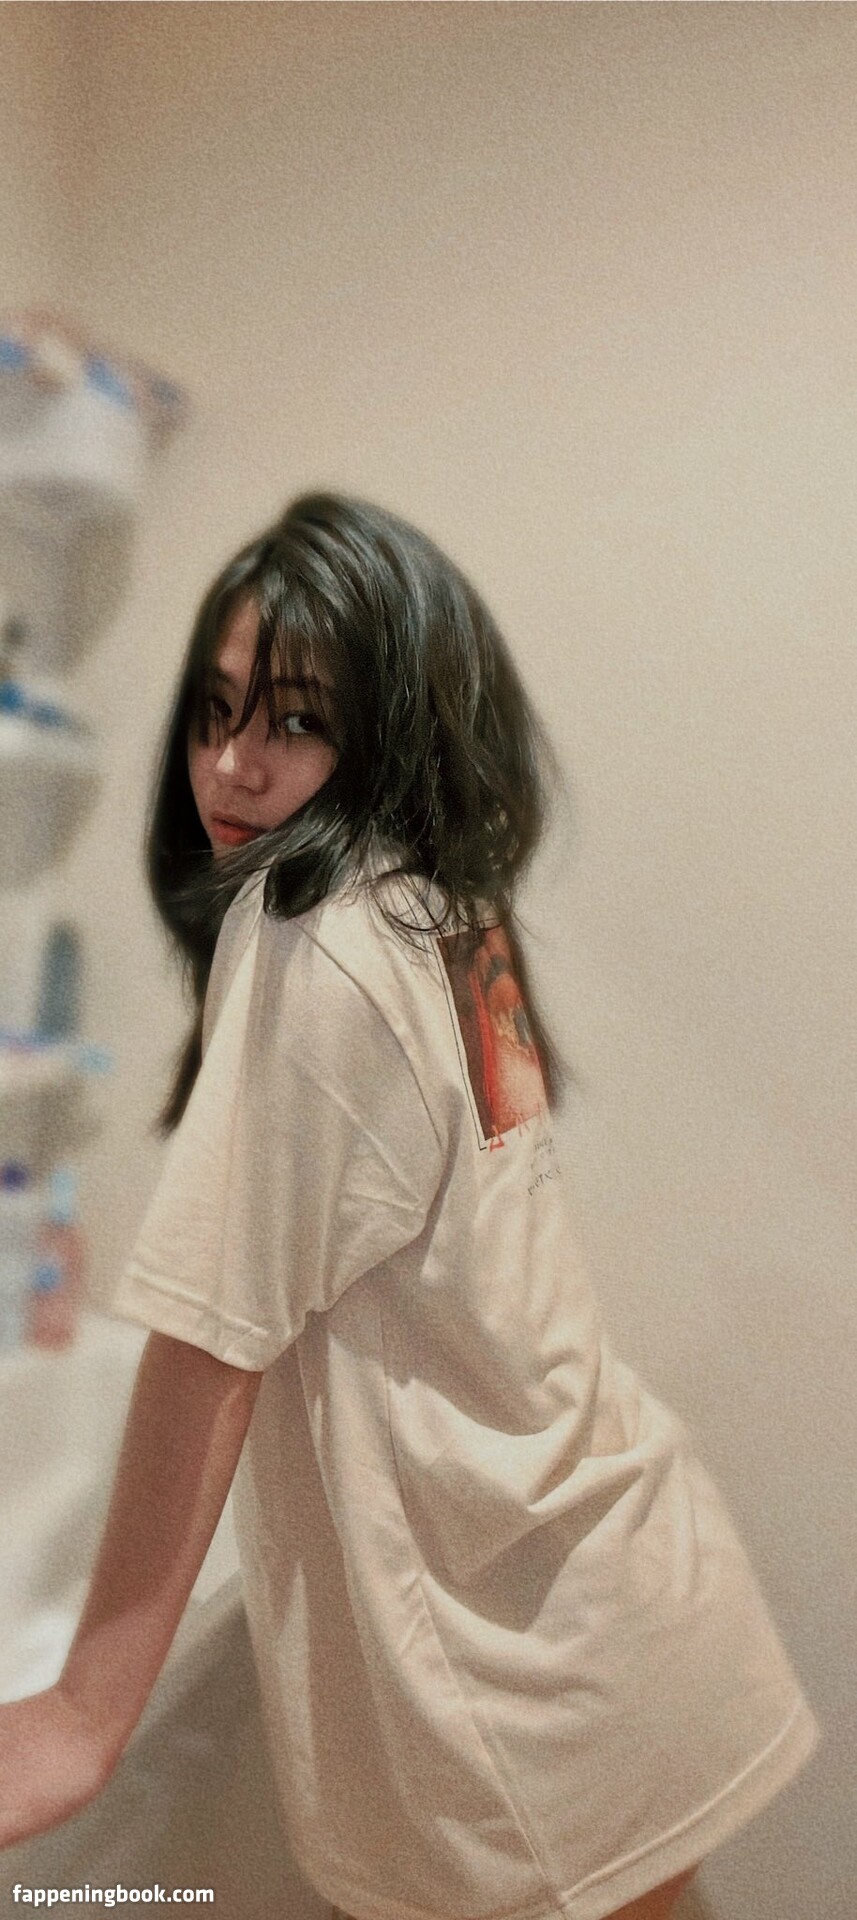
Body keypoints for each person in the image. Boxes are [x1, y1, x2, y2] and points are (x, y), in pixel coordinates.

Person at [0, 493, 818, 1919]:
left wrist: (81, 1713)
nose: (232, 764)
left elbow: (209, 1337)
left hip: (534, 1681)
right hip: (607, 1598)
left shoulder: (313, 929)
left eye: (295, 719)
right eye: (214, 711)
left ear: (397, 723)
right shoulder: (448, 910)